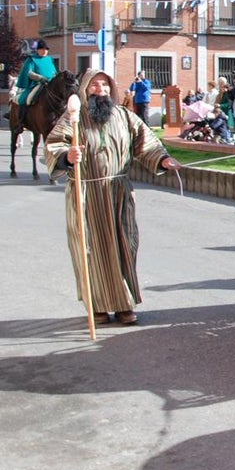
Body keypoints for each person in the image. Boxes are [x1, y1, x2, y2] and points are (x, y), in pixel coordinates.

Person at [44, 69, 180, 325]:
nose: (101, 90)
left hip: (119, 192)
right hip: (86, 194)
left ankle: (124, 304)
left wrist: (163, 159)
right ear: (85, 89)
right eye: (95, 85)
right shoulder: (73, 118)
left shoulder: (124, 116)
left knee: (125, 245)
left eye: (105, 85)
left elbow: (147, 144)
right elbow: (54, 145)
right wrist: (67, 156)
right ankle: (97, 306)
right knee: (90, 250)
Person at [15, 39, 57, 129]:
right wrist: (40, 78)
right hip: (37, 84)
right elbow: (29, 73)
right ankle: (20, 122)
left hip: (50, 84)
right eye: (42, 49)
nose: (45, 51)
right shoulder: (31, 59)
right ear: (38, 50)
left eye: (46, 49)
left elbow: (54, 72)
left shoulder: (49, 60)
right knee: (25, 99)